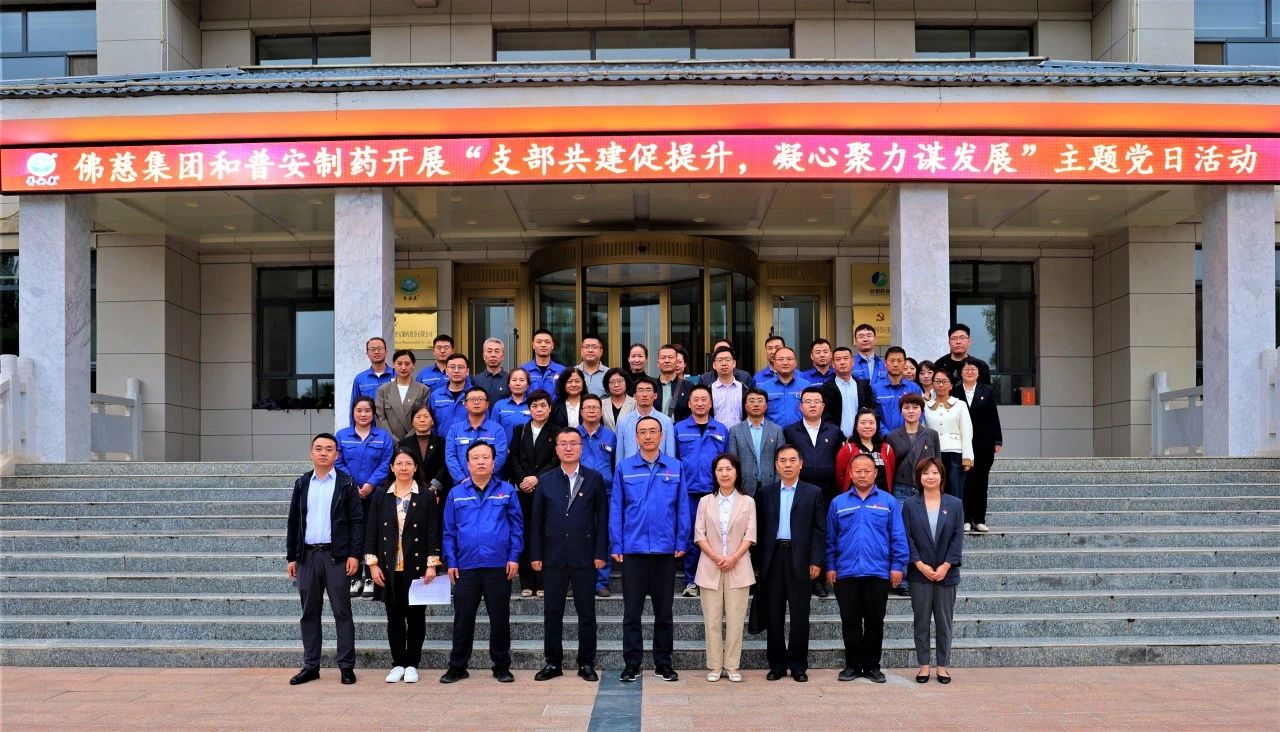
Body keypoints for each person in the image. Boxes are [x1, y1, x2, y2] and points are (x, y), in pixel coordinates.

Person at [610, 416, 687, 683]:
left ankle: (663, 663)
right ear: (636, 437)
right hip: (634, 549)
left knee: (664, 613)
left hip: (665, 550)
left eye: (653, 431)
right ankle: (632, 664)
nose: (648, 436)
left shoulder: (675, 467)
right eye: (642, 432)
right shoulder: (625, 468)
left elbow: (682, 507)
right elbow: (617, 508)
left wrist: (681, 540)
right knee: (632, 613)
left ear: (661, 436)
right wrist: (617, 543)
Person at [529, 428, 610, 682]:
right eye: (563, 443)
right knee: (552, 612)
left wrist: (601, 552)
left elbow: (602, 518)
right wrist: (536, 554)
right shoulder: (546, 480)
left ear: (581, 448)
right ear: (556, 449)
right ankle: (553, 663)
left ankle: (586, 663)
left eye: (573, 443)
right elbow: (536, 521)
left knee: (587, 613)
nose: (568, 448)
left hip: (585, 556)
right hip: (553, 557)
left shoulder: (594, 479)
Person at [440, 442, 522, 684]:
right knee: (463, 619)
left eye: (486, 457)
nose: (481, 462)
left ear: (494, 462)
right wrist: (451, 561)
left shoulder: (506, 490)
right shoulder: (456, 493)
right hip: (466, 566)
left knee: (500, 618)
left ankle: (501, 666)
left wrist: (514, 557)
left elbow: (517, 527)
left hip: (498, 565)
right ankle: (457, 666)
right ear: (468, 464)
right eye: (475, 458)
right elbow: (448, 532)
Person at [287, 433, 364, 686]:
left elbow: (357, 522)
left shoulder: (346, 483)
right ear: (311, 453)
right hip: (307, 556)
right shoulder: (302, 483)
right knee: (309, 613)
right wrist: (291, 556)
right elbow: (293, 522)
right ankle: (311, 666)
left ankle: (346, 667)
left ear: (336, 455)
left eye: (329, 449)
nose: (323, 453)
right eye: (318, 449)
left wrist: (354, 554)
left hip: (336, 557)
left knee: (342, 612)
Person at [827, 453, 908, 684]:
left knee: (874, 622)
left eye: (867, 471)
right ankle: (852, 666)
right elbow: (830, 539)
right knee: (849, 621)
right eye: (858, 471)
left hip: (878, 572)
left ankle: (872, 667)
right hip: (846, 572)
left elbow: (898, 536)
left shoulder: (888, 502)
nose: (862, 475)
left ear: (875, 473)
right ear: (850, 473)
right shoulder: (838, 503)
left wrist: (897, 566)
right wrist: (830, 566)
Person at [364, 447, 440, 684]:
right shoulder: (381, 495)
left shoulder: (426, 496)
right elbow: (371, 531)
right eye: (399, 463)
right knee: (394, 618)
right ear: (392, 467)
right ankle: (398, 663)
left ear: (415, 468)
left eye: (408, 463)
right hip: (388, 567)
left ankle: (412, 664)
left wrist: (432, 565)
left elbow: (433, 532)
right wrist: (372, 564)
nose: (404, 467)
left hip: (416, 567)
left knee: (416, 618)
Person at [754, 445, 825, 682]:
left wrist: (816, 560)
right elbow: (760, 528)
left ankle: (798, 665)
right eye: (782, 460)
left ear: (801, 464)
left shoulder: (813, 492)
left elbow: (819, 530)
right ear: (776, 465)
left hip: (801, 559)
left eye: (792, 460)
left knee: (800, 615)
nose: (787, 464)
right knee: (773, 614)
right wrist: (758, 563)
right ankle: (776, 665)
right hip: (773, 558)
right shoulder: (766, 492)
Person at [693, 453, 756, 683]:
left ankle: (732, 666)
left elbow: (750, 535)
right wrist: (717, 557)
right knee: (712, 620)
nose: (724, 473)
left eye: (729, 469)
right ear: (714, 474)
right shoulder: (705, 502)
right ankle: (714, 665)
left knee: (736, 621)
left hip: (739, 568)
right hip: (710, 567)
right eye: (720, 469)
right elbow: (699, 535)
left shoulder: (747, 502)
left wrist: (733, 558)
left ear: (736, 472)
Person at [903, 457, 963, 684]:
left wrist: (946, 565)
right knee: (921, 621)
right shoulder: (910, 504)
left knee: (944, 622)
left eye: (935, 472)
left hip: (947, 574)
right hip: (919, 574)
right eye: (926, 473)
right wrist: (919, 564)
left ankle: (942, 666)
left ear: (942, 476)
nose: (930, 477)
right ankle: (924, 666)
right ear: (919, 477)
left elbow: (957, 538)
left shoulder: (955, 504)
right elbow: (907, 537)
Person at [782, 386, 842, 597]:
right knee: (801, 531)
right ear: (801, 407)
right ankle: (799, 575)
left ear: (823, 406)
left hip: (827, 491)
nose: (813, 405)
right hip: (800, 490)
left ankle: (820, 578)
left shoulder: (833, 431)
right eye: (808, 402)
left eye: (817, 402)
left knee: (822, 532)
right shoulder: (790, 431)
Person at [335, 396, 396, 597]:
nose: (363, 414)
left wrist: (370, 485)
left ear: (373, 414)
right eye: (359, 410)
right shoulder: (342, 435)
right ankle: (354, 577)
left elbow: (386, 463)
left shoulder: (383, 436)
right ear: (353, 413)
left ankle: (370, 576)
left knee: (373, 533)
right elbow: (338, 462)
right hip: (349, 493)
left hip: (376, 494)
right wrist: (353, 486)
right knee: (353, 532)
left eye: (367, 411)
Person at [673, 384, 730, 598]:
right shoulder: (678, 429)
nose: (699, 403)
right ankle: (691, 580)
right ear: (689, 404)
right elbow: (674, 460)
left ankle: (713, 579)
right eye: (695, 400)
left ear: (711, 403)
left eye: (704, 399)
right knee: (691, 536)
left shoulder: (721, 429)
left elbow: (727, 462)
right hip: (687, 492)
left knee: (716, 535)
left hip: (714, 492)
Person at [508, 389, 558, 597]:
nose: (539, 409)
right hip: (524, 491)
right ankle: (527, 583)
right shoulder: (520, 430)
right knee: (525, 533)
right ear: (529, 409)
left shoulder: (557, 431)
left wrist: (537, 478)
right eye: (534, 406)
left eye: (543, 405)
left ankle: (543, 582)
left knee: (546, 534)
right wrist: (523, 480)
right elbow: (513, 458)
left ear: (550, 408)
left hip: (547, 490)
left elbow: (556, 460)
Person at [578, 393, 618, 597]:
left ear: (601, 412)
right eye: (588, 407)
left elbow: (615, 464)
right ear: (581, 412)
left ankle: (601, 582)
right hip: (578, 492)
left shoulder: (611, 436)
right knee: (578, 535)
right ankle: (579, 579)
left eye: (596, 407)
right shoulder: (573, 435)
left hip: (606, 492)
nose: (592, 411)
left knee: (604, 535)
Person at [959, 359, 1002, 533]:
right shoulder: (954, 390)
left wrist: (997, 440)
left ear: (978, 373)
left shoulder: (987, 390)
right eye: (966, 369)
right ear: (961, 372)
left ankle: (979, 519)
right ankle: (966, 519)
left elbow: (993, 416)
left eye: (973, 369)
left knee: (981, 481)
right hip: (962, 443)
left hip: (984, 442)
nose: (969, 372)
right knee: (966, 481)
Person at [923, 369, 973, 500]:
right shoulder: (925, 406)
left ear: (951, 385)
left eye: (944, 381)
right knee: (935, 491)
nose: (941, 385)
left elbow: (967, 431)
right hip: (933, 453)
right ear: (933, 384)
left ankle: (956, 514)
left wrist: (967, 457)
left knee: (955, 492)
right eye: (937, 381)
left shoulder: (960, 405)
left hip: (955, 453)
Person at [443, 386, 509, 484]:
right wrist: (461, 479)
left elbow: (500, 456)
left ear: (487, 404)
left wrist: (482, 477)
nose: (476, 402)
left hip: (490, 483)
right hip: (462, 484)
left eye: (480, 399)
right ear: (465, 404)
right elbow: (450, 456)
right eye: (472, 399)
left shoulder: (497, 430)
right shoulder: (455, 430)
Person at [883, 394, 941, 503]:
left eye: (915, 407)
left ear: (922, 411)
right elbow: (890, 466)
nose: (911, 411)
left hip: (926, 486)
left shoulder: (932, 434)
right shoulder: (892, 436)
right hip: (901, 487)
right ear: (901, 412)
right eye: (906, 408)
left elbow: (938, 463)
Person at [726, 387, 783, 497]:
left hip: (770, 486)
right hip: (744, 487)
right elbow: (733, 463)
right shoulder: (735, 431)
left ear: (766, 405)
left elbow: (781, 461)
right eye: (751, 401)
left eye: (760, 401)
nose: (756, 404)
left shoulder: (777, 430)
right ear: (745, 405)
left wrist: (777, 485)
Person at [396, 403, 452, 512]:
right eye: (418, 417)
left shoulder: (442, 442)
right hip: (411, 491)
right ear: (412, 422)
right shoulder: (404, 443)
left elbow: (445, 465)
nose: (422, 420)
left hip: (438, 492)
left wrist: (434, 487)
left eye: (426, 417)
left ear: (432, 421)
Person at [820, 346, 879, 440]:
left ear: (852, 362)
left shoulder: (864, 386)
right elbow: (826, 417)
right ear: (833, 364)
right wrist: (839, 437)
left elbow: (872, 412)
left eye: (845, 358)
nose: (842, 362)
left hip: (862, 439)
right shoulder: (825, 389)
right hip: (836, 440)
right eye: (838, 359)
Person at [836, 408, 895, 495]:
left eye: (871, 423)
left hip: (881, 498)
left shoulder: (887, 449)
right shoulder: (847, 449)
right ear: (856, 426)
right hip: (854, 498)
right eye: (863, 423)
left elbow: (891, 474)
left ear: (877, 426)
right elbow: (840, 477)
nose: (867, 426)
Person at [375, 349, 430, 441]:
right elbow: (380, 418)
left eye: (407, 364)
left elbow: (425, 418)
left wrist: (408, 442)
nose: (403, 367)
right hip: (389, 442)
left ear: (413, 365)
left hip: (415, 442)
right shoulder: (383, 390)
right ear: (393, 365)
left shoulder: (423, 390)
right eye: (399, 364)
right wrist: (394, 441)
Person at [615, 376, 675, 459]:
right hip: (630, 467)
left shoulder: (666, 421)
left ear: (655, 395)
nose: (644, 394)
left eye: (648, 390)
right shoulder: (623, 421)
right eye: (640, 390)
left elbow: (670, 454)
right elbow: (619, 455)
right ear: (634, 396)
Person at [871, 347, 924, 436]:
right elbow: (873, 415)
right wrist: (887, 435)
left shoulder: (914, 388)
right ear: (885, 363)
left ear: (904, 364)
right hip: (883, 439)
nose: (895, 364)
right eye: (892, 361)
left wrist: (909, 433)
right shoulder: (876, 389)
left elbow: (921, 413)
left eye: (899, 361)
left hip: (909, 438)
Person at [759, 347, 809, 427]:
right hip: (773, 433)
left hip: (800, 433)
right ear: (774, 363)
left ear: (795, 363)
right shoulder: (764, 388)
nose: (785, 363)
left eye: (789, 359)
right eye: (781, 359)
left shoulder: (806, 386)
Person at [427, 353, 472, 437]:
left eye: (460, 367)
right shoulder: (436, 396)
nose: (456, 371)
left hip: (469, 443)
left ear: (467, 371)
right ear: (446, 371)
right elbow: (430, 424)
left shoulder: (475, 395)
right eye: (452, 367)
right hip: (441, 443)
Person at [934, 323, 992, 388]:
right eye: (954, 338)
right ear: (949, 343)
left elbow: (987, 392)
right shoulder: (939, 365)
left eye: (962, 338)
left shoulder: (981, 366)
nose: (958, 342)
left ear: (969, 341)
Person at [350, 336, 393, 418]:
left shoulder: (396, 375)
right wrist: (353, 425)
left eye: (379, 348)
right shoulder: (360, 379)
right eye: (372, 349)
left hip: (391, 424)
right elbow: (354, 406)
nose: (376, 352)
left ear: (386, 352)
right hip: (368, 424)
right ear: (367, 354)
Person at [706, 346, 747, 430]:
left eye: (727, 360)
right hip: (715, 434)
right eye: (720, 360)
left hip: (739, 434)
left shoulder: (744, 389)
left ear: (734, 363)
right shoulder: (708, 390)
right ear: (714, 365)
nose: (724, 363)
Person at [654, 344, 694, 422]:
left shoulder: (689, 387)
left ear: (676, 362)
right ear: (658, 363)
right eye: (663, 357)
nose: (667, 361)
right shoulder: (651, 387)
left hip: (680, 429)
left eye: (671, 357)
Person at [491, 367, 532, 441]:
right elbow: (493, 431)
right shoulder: (499, 405)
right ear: (508, 384)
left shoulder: (533, 405)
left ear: (528, 384)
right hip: (504, 447)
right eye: (514, 380)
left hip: (528, 447)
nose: (517, 383)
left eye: (522, 380)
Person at [522, 328, 566, 396]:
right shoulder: (524, 370)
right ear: (533, 345)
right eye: (539, 342)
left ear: (552, 345)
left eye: (547, 342)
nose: (543, 345)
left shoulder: (561, 370)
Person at [472, 337, 511, 404]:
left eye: (497, 351)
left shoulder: (510, 379)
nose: (493, 355)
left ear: (503, 356)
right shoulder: (476, 380)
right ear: (484, 356)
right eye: (489, 351)